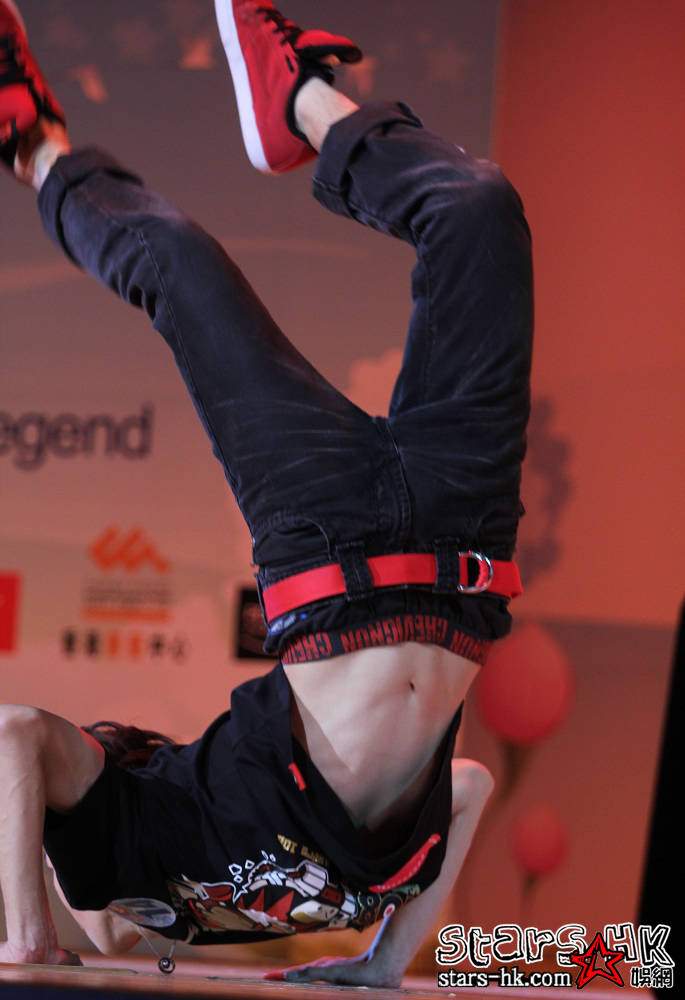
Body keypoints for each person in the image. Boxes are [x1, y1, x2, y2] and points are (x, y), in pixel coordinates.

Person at [0, 0, 533, 986]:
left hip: (327, 545)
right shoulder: (250, 899)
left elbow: (16, 737)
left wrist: (29, 940)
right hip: (464, 537)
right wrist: (379, 965)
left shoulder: (147, 825)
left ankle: (31, 142)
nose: (130, 929)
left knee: (178, 267)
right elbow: (468, 785)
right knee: (478, 208)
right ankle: (303, 104)